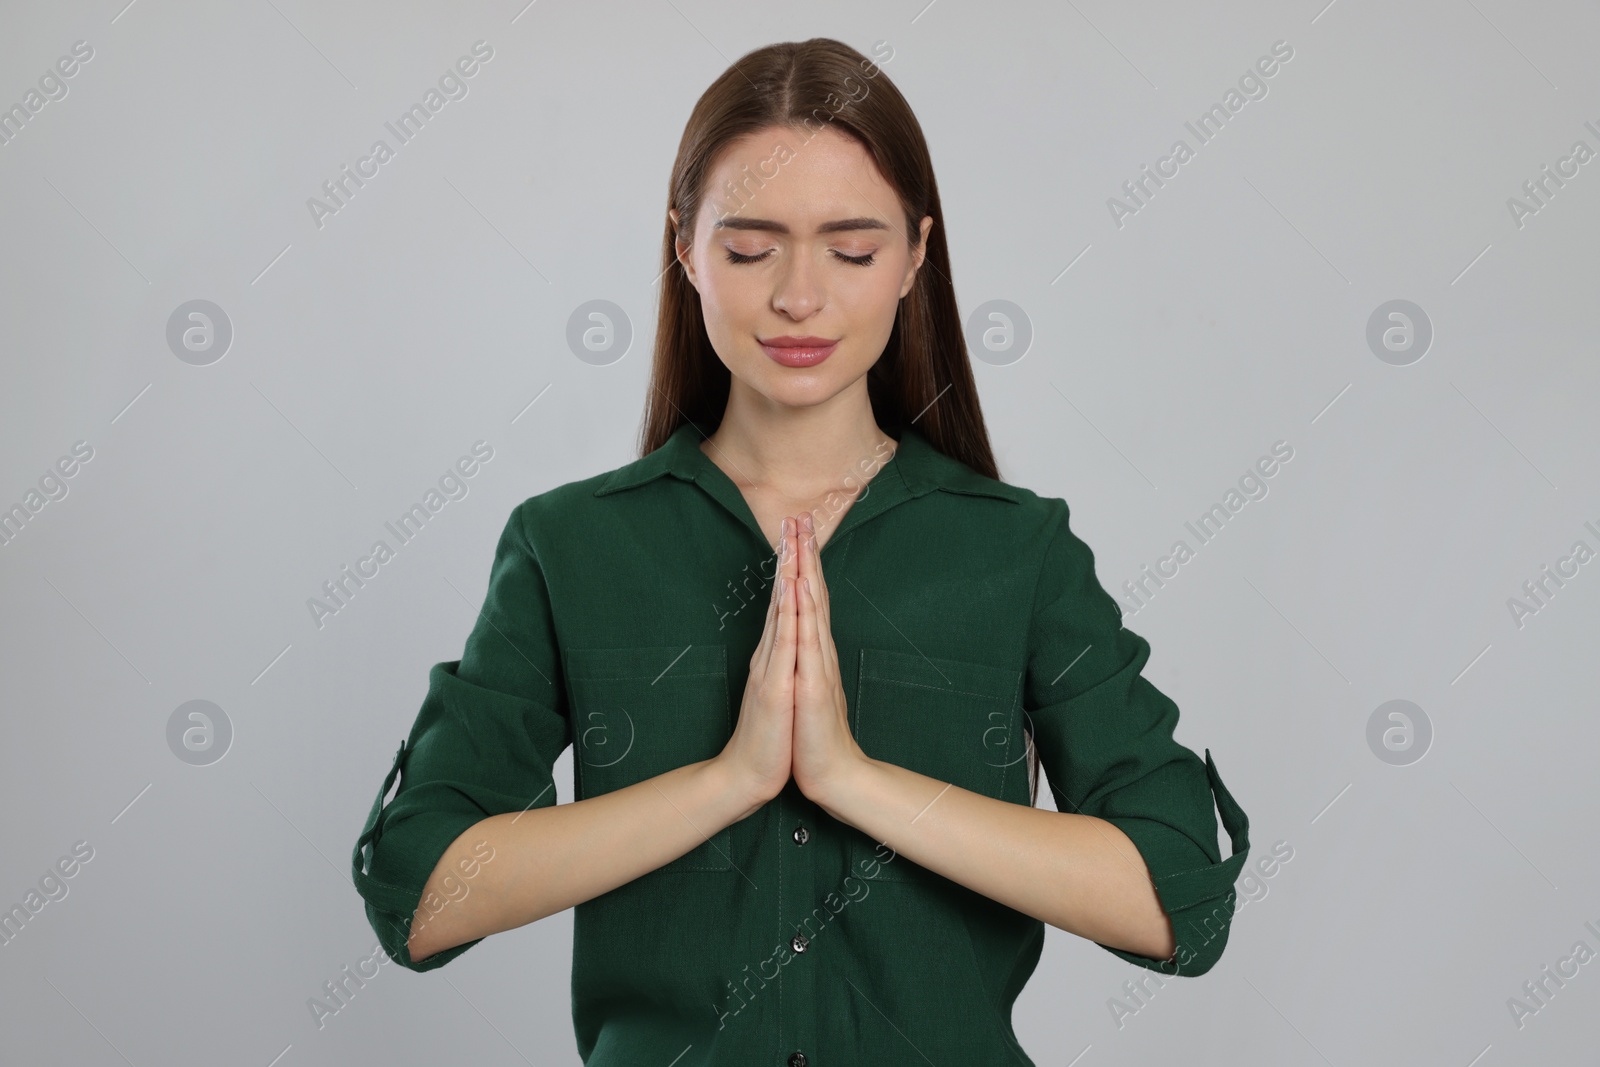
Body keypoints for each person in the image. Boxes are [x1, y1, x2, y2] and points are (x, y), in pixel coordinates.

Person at [351, 36, 1250, 1065]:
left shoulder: (1018, 549)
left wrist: (851, 778)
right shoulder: (569, 546)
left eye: (852, 249)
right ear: (684, 248)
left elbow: (1182, 898)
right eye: (749, 247)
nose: (798, 296)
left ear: (916, 254)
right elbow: (420, 894)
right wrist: (729, 778)